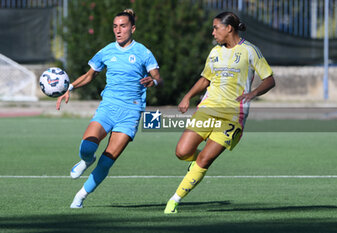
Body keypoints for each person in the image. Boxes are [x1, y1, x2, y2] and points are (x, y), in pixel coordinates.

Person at [164, 11, 275, 214]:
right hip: (207, 110)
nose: (213, 32)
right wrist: (187, 96)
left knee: (205, 160)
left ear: (228, 28)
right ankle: (196, 164)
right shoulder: (215, 52)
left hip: (232, 116)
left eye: (216, 28)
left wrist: (255, 92)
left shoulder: (250, 51)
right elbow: (205, 79)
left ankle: (174, 200)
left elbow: (269, 79)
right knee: (182, 152)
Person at [56, 9, 163, 208]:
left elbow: (158, 78)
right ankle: (86, 160)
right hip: (108, 107)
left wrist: (154, 83)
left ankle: (80, 197)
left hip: (131, 112)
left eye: (123, 26)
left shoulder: (143, 52)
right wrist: (69, 87)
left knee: (107, 161)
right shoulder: (106, 51)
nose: (118, 30)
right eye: (115, 26)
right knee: (87, 146)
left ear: (133, 28)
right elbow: (90, 75)